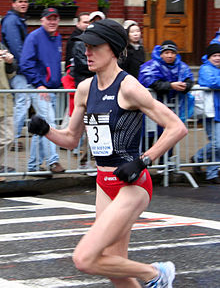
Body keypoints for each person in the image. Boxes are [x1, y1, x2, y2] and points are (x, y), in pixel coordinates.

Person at [28, 19, 188, 287]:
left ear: (112, 49)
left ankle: (156, 273)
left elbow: (177, 127)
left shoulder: (129, 87)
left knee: (86, 258)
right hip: (104, 184)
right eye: (84, 47)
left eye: (93, 47)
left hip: (131, 184)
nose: (86, 53)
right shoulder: (84, 89)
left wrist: (143, 160)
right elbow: (70, 139)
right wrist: (45, 130)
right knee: (116, 269)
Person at [19, 7, 64, 173]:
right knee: (49, 124)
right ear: (42, 20)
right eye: (49, 19)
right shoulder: (34, 37)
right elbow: (25, 63)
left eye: (55, 18)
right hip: (39, 89)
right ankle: (53, 161)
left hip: (52, 89)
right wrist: (39, 84)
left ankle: (32, 165)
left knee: (41, 128)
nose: (52, 22)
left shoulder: (57, 37)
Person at [139, 40, 193, 162]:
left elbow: (189, 79)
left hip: (172, 108)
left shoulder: (182, 66)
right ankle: (143, 163)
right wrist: (171, 86)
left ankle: (165, 163)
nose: (169, 55)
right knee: (148, 136)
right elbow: (151, 82)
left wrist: (185, 86)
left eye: (172, 53)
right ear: (161, 53)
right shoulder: (151, 65)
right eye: (166, 52)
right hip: (151, 108)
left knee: (169, 136)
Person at [1, 0, 29, 151]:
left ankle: (13, 137)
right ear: (13, 4)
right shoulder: (12, 21)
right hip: (16, 69)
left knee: (22, 101)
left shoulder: (17, 19)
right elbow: (16, 46)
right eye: (20, 2)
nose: (24, 4)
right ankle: (13, 137)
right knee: (22, 101)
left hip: (17, 67)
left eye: (26, 2)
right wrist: (24, 67)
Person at [191, 43, 220, 184]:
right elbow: (212, 82)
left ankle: (212, 173)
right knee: (217, 144)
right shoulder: (205, 69)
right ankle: (198, 158)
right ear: (209, 57)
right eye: (215, 55)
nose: (218, 58)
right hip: (212, 112)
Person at [0, 44, 17, 181]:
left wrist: (10, 62)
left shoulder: (1, 46)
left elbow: (10, 74)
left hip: (4, 101)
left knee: (9, 137)